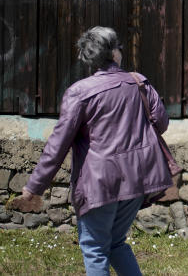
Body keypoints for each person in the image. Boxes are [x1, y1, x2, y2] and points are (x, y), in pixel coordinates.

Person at [13, 26, 173, 276]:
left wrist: (34, 187)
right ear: (114, 53)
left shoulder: (80, 93)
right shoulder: (138, 82)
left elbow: (58, 145)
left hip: (100, 183)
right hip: (138, 179)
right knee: (116, 243)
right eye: (119, 46)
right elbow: (161, 123)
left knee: (95, 248)